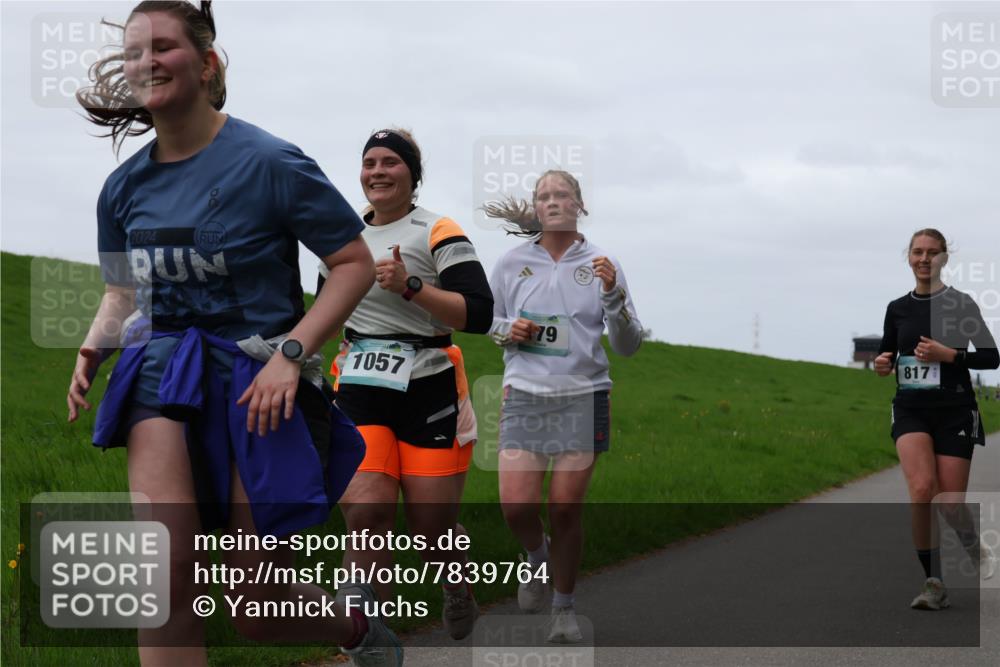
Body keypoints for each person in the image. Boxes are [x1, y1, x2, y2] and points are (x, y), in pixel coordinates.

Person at [67, 3, 401, 665]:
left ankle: (356, 630)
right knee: (165, 584)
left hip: (262, 385)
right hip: (165, 377)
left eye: (163, 47)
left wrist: (291, 353)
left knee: (255, 606)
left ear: (207, 62)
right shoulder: (121, 189)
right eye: (135, 52)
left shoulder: (271, 161)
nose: (146, 62)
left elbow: (353, 264)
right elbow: (124, 292)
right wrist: (95, 342)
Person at [319, 128, 493, 640]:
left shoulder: (437, 229)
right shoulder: (342, 236)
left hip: (430, 386)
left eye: (390, 162)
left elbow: (479, 314)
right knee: (368, 514)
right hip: (358, 384)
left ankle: (457, 586)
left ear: (413, 175)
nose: (377, 171)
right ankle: (370, 636)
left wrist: (413, 287)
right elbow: (326, 312)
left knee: (431, 532)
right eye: (369, 162)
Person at [484, 170, 642, 642]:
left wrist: (613, 294)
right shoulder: (512, 262)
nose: (553, 202)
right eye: (544, 196)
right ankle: (536, 556)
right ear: (536, 207)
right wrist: (504, 330)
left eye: (563, 194)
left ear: (580, 204)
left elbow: (629, 345)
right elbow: (485, 320)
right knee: (516, 508)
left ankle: (564, 608)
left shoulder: (601, 263)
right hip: (525, 396)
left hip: (584, 396)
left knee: (566, 506)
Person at [874, 228, 998, 610]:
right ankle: (934, 584)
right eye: (917, 252)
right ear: (908, 257)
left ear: (945, 258)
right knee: (922, 490)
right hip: (911, 408)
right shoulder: (897, 308)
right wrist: (883, 363)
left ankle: (973, 545)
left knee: (949, 503)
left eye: (932, 253)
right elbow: (887, 354)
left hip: (955, 411)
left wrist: (951, 355)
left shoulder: (961, 304)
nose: (924, 259)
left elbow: (991, 357)